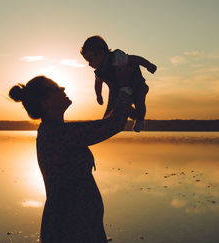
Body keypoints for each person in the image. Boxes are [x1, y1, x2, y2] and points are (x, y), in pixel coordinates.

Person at [8, 67, 133, 243]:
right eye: (55, 88)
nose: (63, 89)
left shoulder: (57, 131)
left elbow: (106, 123)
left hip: (79, 227)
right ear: (45, 103)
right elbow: (113, 124)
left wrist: (116, 90)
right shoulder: (57, 134)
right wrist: (126, 86)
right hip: (70, 230)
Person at [80, 35, 157, 132]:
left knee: (139, 101)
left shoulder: (116, 57)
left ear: (101, 53)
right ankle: (136, 117)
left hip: (137, 85)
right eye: (87, 61)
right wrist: (98, 95)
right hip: (120, 92)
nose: (89, 64)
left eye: (90, 59)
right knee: (121, 108)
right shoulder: (99, 71)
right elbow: (98, 83)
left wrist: (148, 65)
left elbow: (134, 59)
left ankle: (140, 120)